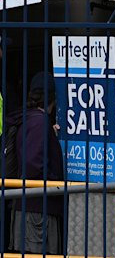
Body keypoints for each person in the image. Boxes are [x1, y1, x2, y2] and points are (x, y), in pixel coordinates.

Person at [9, 71, 63, 254]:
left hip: (29, 206)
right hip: (37, 211)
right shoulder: (40, 122)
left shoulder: (29, 119)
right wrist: (57, 181)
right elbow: (33, 165)